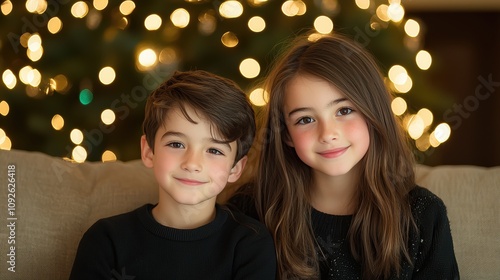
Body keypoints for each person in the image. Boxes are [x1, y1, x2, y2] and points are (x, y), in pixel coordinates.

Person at [229, 32, 459, 279]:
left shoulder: (421, 215)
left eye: (344, 110)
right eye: (305, 119)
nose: (328, 134)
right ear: (286, 135)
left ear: (373, 113)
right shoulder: (251, 210)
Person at [70, 70, 277, 279]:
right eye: (176, 144)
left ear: (235, 168)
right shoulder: (106, 241)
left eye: (214, 150)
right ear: (149, 151)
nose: (192, 164)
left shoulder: (250, 245)